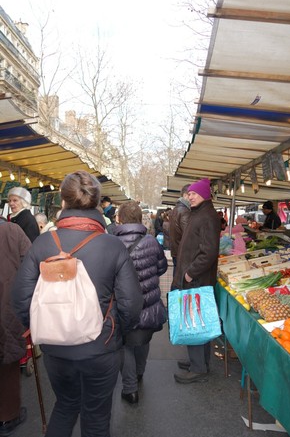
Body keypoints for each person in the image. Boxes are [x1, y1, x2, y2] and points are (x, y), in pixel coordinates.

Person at [12, 170, 143, 437]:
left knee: (64, 407)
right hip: (101, 348)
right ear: (96, 204)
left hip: (56, 349)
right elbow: (131, 306)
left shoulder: (43, 243)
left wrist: (44, 328)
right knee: (96, 417)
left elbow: (20, 299)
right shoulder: (113, 245)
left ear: (62, 202)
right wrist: (115, 333)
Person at [113, 200, 167, 404]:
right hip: (148, 303)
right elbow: (161, 268)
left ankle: (130, 389)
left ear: (120, 218)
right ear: (139, 219)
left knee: (124, 344)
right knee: (143, 338)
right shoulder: (151, 241)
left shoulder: (112, 242)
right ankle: (139, 373)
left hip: (123, 303)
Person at [172, 178, 220, 384]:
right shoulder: (199, 213)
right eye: (188, 193)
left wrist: (190, 273)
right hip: (194, 277)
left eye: (192, 193)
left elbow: (208, 252)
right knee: (197, 321)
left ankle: (198, 367)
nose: (188, 196)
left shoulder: (207, 216)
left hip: (196, 279)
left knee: (194, 322)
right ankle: (199, 362)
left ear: (203, 194)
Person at [0, 217, 31, 436]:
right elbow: (30, 268)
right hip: (6, 307)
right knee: (7, 364)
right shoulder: (12, 231)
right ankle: (7, 416)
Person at [169, 184, 191, 274]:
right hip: (182, 253)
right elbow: (188, 234)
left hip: (176, 251)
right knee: (179, 281)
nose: (193, 198)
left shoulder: (177, 209)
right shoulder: (184, 211)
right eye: (191, 195)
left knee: (177, 278)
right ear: (185, 195)